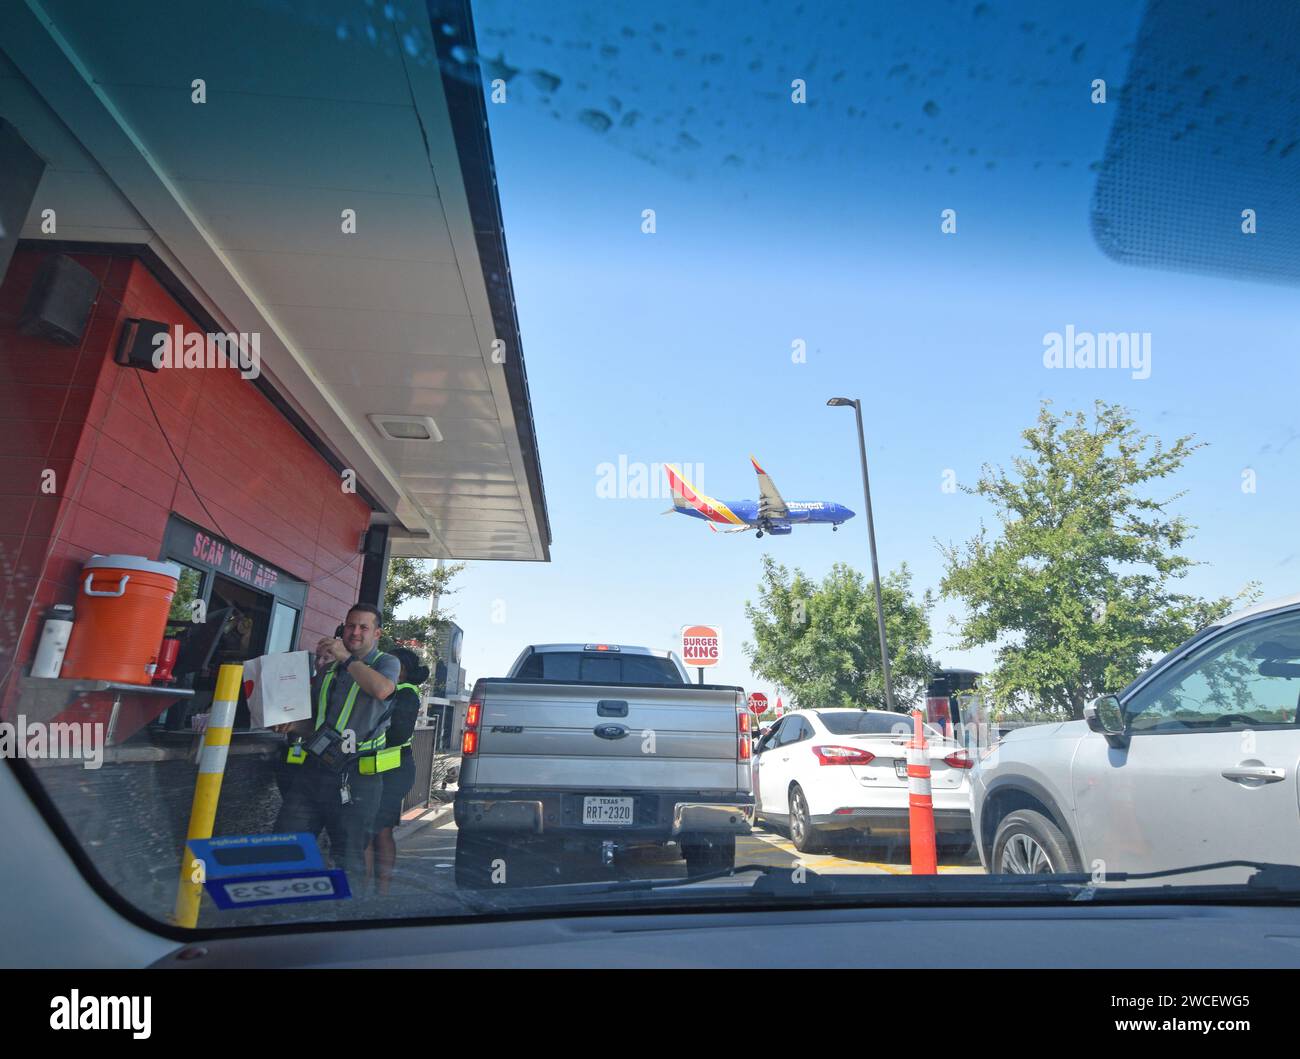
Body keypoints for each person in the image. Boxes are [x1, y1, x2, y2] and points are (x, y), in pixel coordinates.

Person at [273, 603, 399, 882]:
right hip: (313, 771)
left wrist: (346, 659)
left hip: (356, 778)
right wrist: (292, 724)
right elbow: (316, 725)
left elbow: (381, 690)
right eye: (350, 625)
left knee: (348, 859)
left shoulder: (386, 663)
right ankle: (283, 916)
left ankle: (345, 918)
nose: (355, 632)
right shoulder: (329, 670)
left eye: (363, 627)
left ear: (376, 633)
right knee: (285, 846)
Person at [365, 647, 428, 895]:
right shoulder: (396, 691)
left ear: (406, 672)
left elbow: (397, 734)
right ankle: (371, 892)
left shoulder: (405, 694)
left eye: (397, 666)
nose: (392, 670)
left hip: (392, 769)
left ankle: (377, 893)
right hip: (382, 768)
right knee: (373, 829)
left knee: (376, 829)